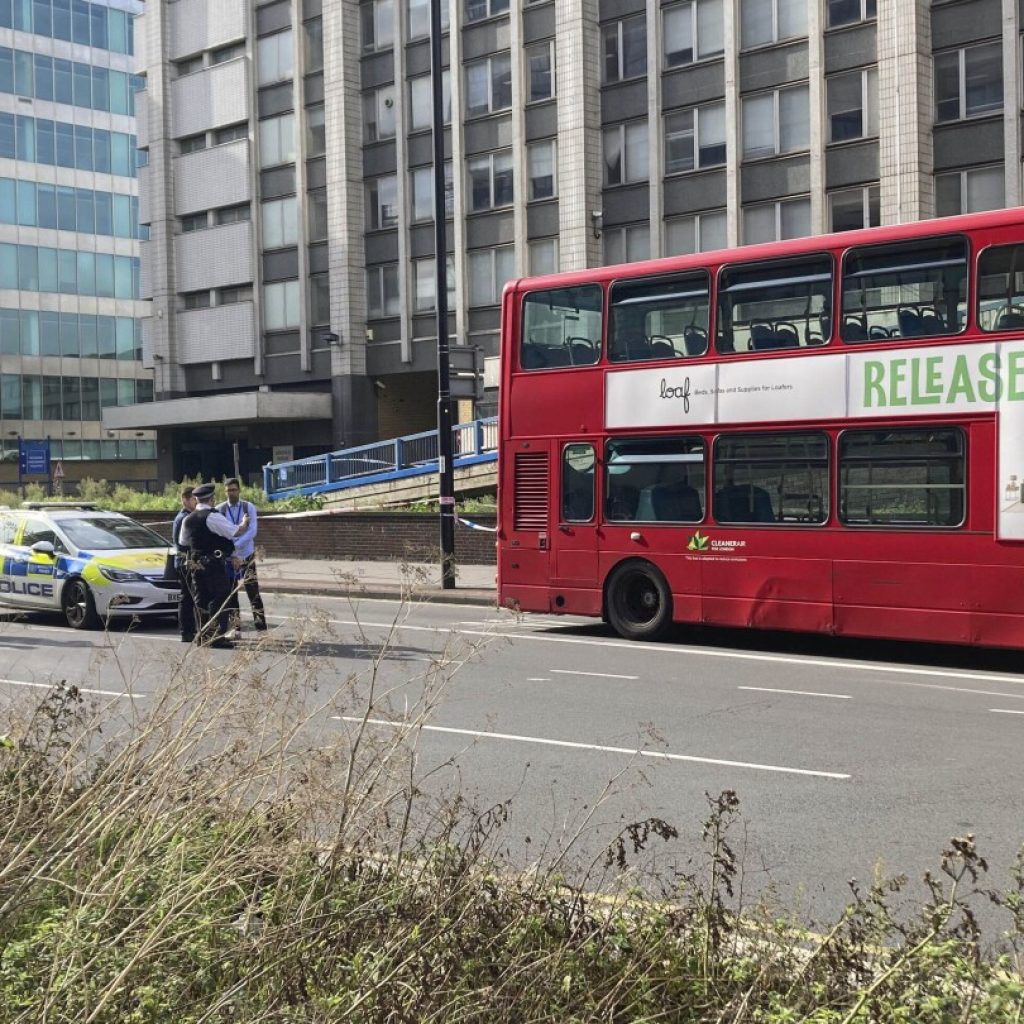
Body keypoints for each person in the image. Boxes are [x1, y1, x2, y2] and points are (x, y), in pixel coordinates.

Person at [179, 482, 237, 648]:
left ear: (196, 500)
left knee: (201, 599)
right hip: (212, 562)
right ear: (211, 499)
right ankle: (216, 636)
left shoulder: (187, 519)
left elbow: (182, 542)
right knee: (221, 596)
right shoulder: (212, 516)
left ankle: (202, 635)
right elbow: (233, 532)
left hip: (195, 563)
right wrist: (244, 524)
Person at [217, 477, 267, 633]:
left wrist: (235, 544)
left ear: (239, 490)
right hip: (230, 558)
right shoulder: (220, 509)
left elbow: (252, 530)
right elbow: (221, 533)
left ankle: (261, 628)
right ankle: (236, 628)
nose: (231, 493)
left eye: (233, 490)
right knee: (231, 594)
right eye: (228, 491)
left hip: (246, 554)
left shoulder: (248, 507)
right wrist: (231, 548)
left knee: (253, 592)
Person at [171, 486, 197, 643]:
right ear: (185, 500)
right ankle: (186, 632)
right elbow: (182, 544)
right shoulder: (184, 518)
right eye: (194, 499)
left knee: (189, 598)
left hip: (185, 561)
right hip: (184, 562)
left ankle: (189, 630)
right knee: (187, 599)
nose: (196, 502)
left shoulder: (188, 516)